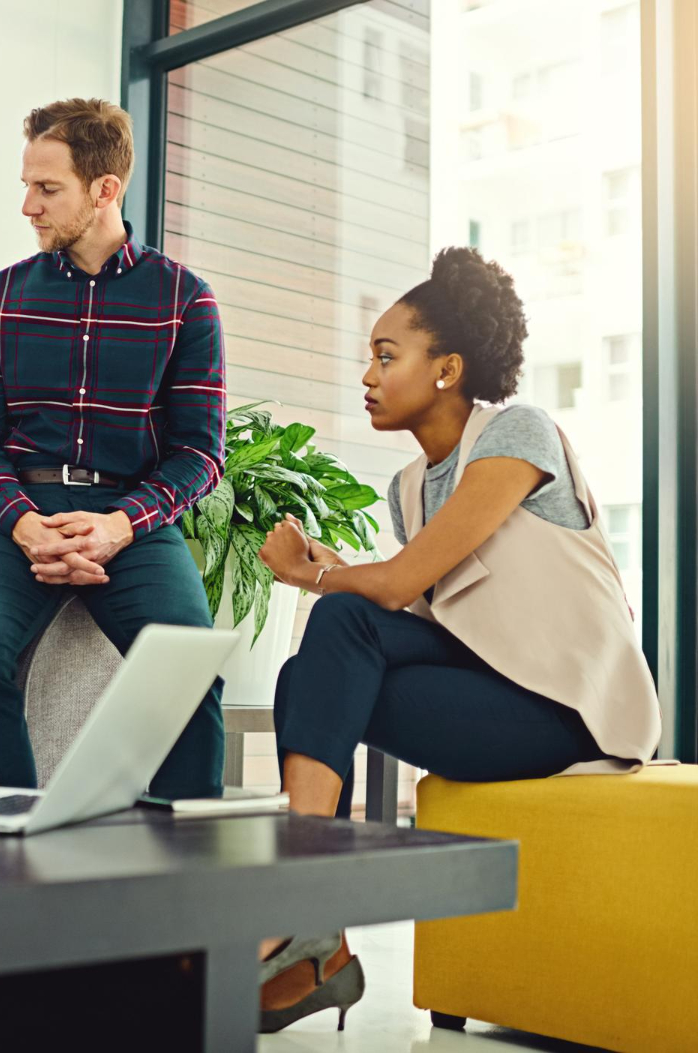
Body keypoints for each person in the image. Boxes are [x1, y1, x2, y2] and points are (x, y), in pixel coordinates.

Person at [253, 246, 660, 1033]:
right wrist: (338, 575)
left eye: (386, 355)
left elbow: (400, 583)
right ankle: (314, 925)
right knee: (310, 668)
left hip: (565, 712)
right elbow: (434, 613)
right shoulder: (409, 488)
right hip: (487, 688)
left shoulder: (516, 435)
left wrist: (314, 575)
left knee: (338, 621)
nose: (368, 374)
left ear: (446, 369)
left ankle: (299, 912)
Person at [0, 98, 227, 798]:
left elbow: (200, 451)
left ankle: (183, 858)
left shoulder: (185, 300)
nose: (28, 206)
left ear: (105, 189)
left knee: (188, 666)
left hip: (131, 515)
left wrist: (119, 525)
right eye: (27, 186)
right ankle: (10, 837)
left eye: (47, 188)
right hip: (18, 510)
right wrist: (25, 524)